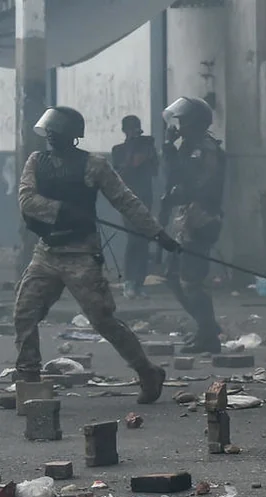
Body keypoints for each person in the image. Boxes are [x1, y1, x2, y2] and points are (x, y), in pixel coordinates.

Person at [16, 106, 180, 403]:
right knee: (24, 312)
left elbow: (125, 201)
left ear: (72, 136)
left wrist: (157, 233)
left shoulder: (94, 165)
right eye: (49, 131)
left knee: (103, 319)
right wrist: (62, 210)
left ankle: (147, 372)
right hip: (47, 252)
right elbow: (27, 199)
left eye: (57, 132)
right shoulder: (36, 162)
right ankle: (28, 379)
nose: (51, 136)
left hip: (81, 253)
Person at [161, 97, 225, 354]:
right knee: (173, 277)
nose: (180, 125)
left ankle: (208, 335)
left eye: (184, 121)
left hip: (200, 219)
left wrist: (170, 148)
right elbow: (173, 175)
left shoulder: (204, 150)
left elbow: (190, 179)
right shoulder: (189, 146)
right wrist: (170, 147)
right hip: (185, 218)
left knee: (191, 281)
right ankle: (206, 326)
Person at [112, 115, 159, 299]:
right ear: (125, 131)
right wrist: (132, 153)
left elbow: (155, 171)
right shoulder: (118, 150)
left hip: (145, 198)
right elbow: (121, 172)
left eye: (137, 128)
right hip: (127, 200)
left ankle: (139, 282)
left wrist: (147, 154)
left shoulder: (147, 148)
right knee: (134, 238)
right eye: (131, 128)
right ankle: (130, 281)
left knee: (144, 239)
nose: (135, 131)